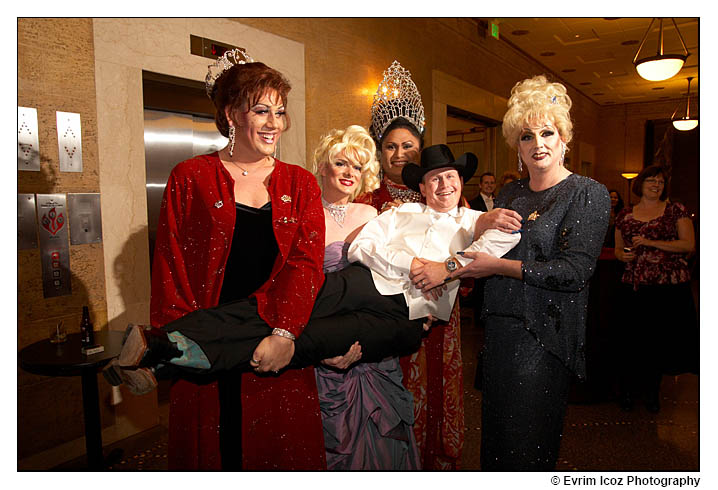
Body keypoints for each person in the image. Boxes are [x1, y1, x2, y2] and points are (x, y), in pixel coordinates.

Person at [143, 48, 327, 470]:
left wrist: (285, 332)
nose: (273, 124)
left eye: (279, 112)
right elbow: (170, 262)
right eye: (261, 111)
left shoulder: (300, 183)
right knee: (215, 450)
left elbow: (306, 263)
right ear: (231, 114)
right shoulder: (190, 177)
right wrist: (185, 340)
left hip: (274, 333)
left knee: (276, 448)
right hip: (208, 338)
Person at [447, 75, 610, 470]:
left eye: (547, 132)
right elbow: (480, 251)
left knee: (528, 445)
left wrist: (498, 266)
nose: (538, 143)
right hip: (500, 331)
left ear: (564, 139)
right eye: (526, 136)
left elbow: (574, 272)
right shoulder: (511, 194)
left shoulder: (587, 193)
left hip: (544, 334)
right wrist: (457, 255)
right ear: (516, 147)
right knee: (498, 443)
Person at [310, 125, 421, 470]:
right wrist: (322, 348)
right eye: (341, 163)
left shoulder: (373, 217)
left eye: (357, 167)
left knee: (385, 443)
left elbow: (389, 280)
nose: (349, 173)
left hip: (372, 345)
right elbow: (301, 288)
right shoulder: (305, 217)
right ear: (324, 167)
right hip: (325, 339)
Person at [614, 165, 697, 413]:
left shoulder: (675, 211)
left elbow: (688, 245)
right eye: (651, 180)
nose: (656, 185)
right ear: (640, 184)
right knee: (633, 341)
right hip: (635, 286)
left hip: (667, 287)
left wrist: (650, 242)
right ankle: (628, 392)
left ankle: (652, 394)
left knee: (660, 342)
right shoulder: (626, 215)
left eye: (660, 182)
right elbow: (618, 248)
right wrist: (622, 256)